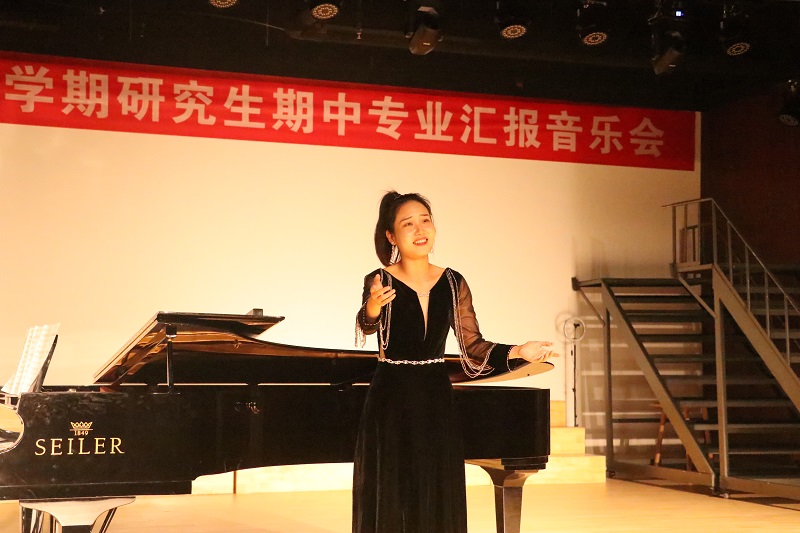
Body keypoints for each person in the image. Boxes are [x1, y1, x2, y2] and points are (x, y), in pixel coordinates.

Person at [352, 190, 557, 533]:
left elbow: (473, 346)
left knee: (437, 485)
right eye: (408, 224)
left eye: (425, 220)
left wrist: (520, 350)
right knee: (394, 488)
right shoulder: (379, 279)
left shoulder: (452, 282)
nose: (420, 229)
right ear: (392, 236)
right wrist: (372, 305)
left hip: (436, 396)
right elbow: (368, 325)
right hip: (391, 397)